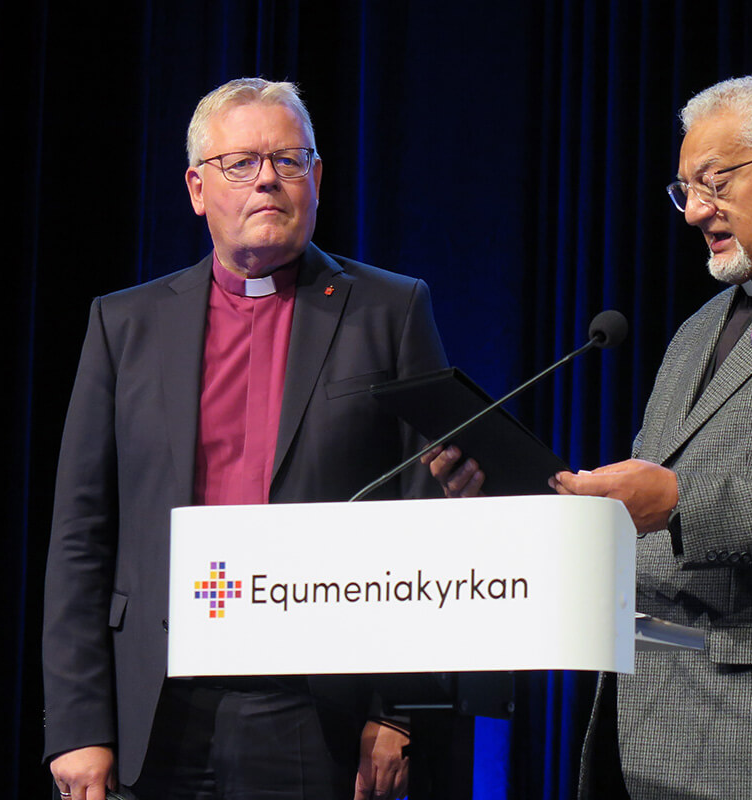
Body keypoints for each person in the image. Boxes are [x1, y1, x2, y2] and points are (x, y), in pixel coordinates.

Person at [428, 76, 752, 798]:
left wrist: (680, 503)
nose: (696, 211)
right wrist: (520, 496)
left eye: (715, 182)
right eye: (684, 191)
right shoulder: (698, 331)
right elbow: (644, 524)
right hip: (661, 733)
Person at [43, 77, 448, 800]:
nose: (267, 178)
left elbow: (427, 520)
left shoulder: (390, 311)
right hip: (155, 706)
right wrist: (78, 723)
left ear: (317, 179)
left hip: (313, 710)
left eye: (288, 161)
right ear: (198, 188)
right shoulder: (124, 325)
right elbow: (81, 533)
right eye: (241, 164)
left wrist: (400, 710)